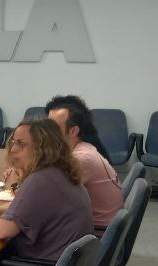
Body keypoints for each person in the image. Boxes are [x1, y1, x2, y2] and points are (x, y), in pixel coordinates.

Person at [0, 118, 92, 262]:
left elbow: (3, 231)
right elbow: (24, 209)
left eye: (21, 144)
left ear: (43, 148)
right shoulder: (59, 172)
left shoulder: (41, 180)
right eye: (13, 142)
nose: (13, 149)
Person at [46, 94, 123, 234]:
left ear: (74, 130)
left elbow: (42, 200)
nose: (46, 133)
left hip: (92, 239)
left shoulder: (82, 159)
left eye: (52, 127)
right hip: (90, 230)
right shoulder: (85, 147)